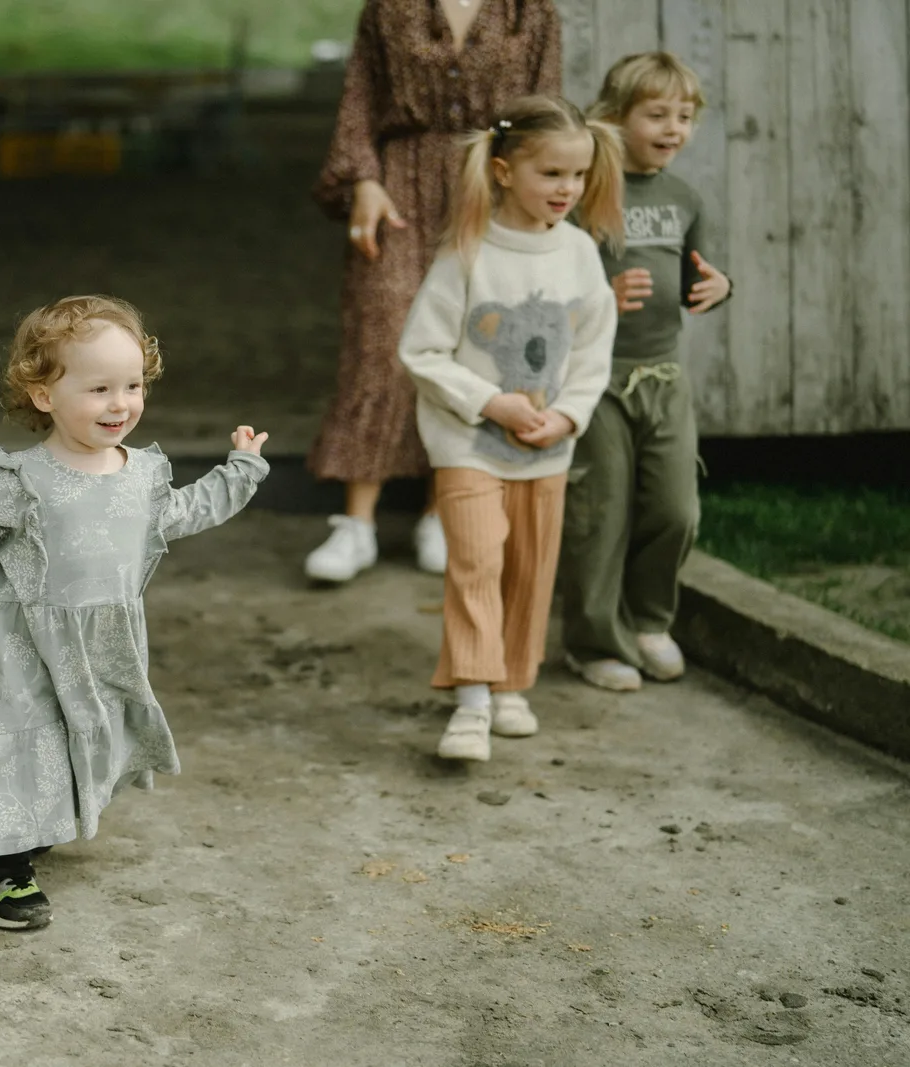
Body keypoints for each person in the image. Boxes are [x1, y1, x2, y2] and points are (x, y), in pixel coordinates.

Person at [0, 295, 269, 930]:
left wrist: (240, 471)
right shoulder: (21, 476)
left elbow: (181, 513)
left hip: (102, 642)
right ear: (42, 395)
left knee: (78, 742)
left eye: (134, 384)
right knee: (18, 749)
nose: (121, 403)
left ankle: (41, 825)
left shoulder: (142, 475)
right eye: (100, 388)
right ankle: (5, 872)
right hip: (19, 642)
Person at [397, 96, 623, 762]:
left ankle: (512, 686)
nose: (567, 190)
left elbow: (592, 350)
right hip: (467, 444)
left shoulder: (580, 254)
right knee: (476, 561)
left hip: (547, 448)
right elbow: (421, 352)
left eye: (578, 176)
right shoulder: (467, 253)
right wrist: (491, 402)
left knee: (529, 569)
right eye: (551, 174)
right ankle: (471, 701)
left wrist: (568, 414)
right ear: (502, 171)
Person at [306, 0, 563, 583]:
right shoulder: (389, 8)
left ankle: (439, 510)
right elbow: (359, 98)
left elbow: (545, 111)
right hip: (398, 186)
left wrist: (532, 195)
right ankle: (356, 526)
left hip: (489, 188)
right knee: (382, 343)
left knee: (471, 344)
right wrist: (364, 181)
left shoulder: (534, 13)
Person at [560, 53, 732, 692]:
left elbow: (696, 278)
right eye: (656, 114)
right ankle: (592, 641)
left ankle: (651, 621)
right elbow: (552, 281)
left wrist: (722, 285)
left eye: (684, 116)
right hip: (595, 380)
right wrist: (603, 290)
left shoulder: (685, 198)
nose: (674, 128)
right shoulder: (586, 192)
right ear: (613, 117)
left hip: (664, 376)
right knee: (598, 514)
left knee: (675, 509)